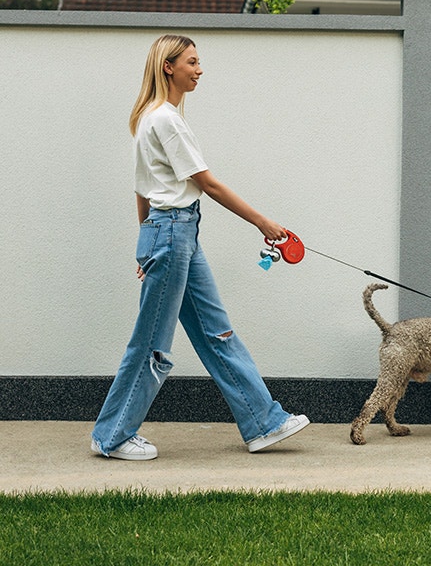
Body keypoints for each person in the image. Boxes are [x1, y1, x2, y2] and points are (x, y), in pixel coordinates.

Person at [91, 34, 309, 460]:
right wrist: (264, 223)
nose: (200, 69)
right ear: (168, 66)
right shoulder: (165, 120)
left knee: (216, 332)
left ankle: (263, 422)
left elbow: (142, 191)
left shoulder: (153, 119)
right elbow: (207, 185)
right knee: (151, 341)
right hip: (172, 234)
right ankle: (112, 435)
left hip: (174, 235)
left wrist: (145, 244)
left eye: (199, 61)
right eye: (192, 61)